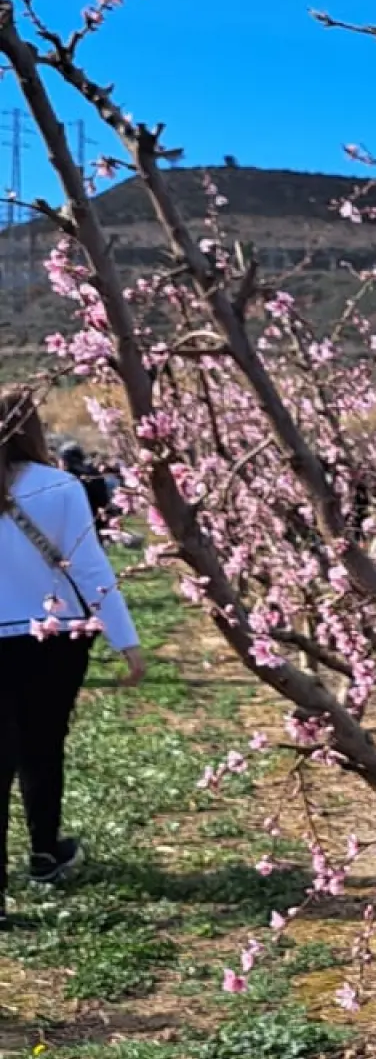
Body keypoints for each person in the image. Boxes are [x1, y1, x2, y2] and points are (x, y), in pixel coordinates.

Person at [1, 388, 147, 927]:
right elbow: (90, 568)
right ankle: (44, 851)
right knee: (43, 742)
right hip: (53, 635)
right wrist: (125, 641)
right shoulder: (60, 485)